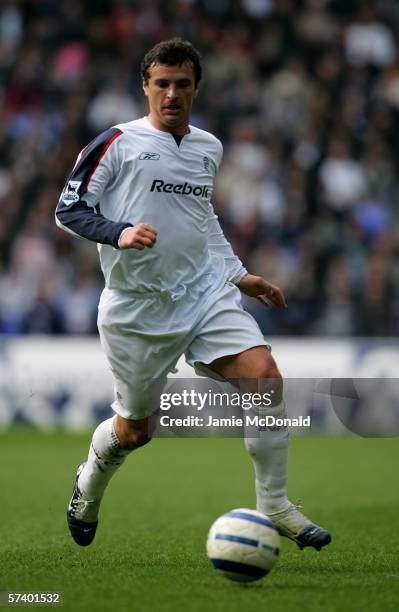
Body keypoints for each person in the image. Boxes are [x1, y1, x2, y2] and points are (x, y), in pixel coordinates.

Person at [55, 38, 331, 557]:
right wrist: (119, 233)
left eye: (182, 84)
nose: (172, 94)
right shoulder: (116, 142)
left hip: (202, 294)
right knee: (135, 430)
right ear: (146, 87)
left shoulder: (208, 147)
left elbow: (204, 222)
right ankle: (88, 484)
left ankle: (274, 504)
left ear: (196, 88)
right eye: (162, 84)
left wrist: (238, 275)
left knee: (265, 379)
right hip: (137, 308)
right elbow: (67, 210)